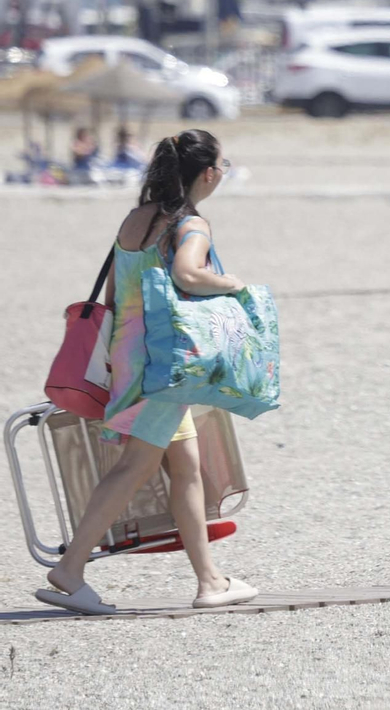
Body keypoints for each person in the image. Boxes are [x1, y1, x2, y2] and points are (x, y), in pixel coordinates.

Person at [36, 129, 259, 615]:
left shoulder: (136, 219)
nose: (223, 172)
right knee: (135, 466)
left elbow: (116, 294)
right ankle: (70, 569)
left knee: (187, 469)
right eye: (222, 164)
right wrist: (233, 283)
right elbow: (188, 273)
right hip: (165, 365)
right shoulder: (192, 224)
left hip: (129, 356)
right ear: (207, 173)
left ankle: (209, 579)